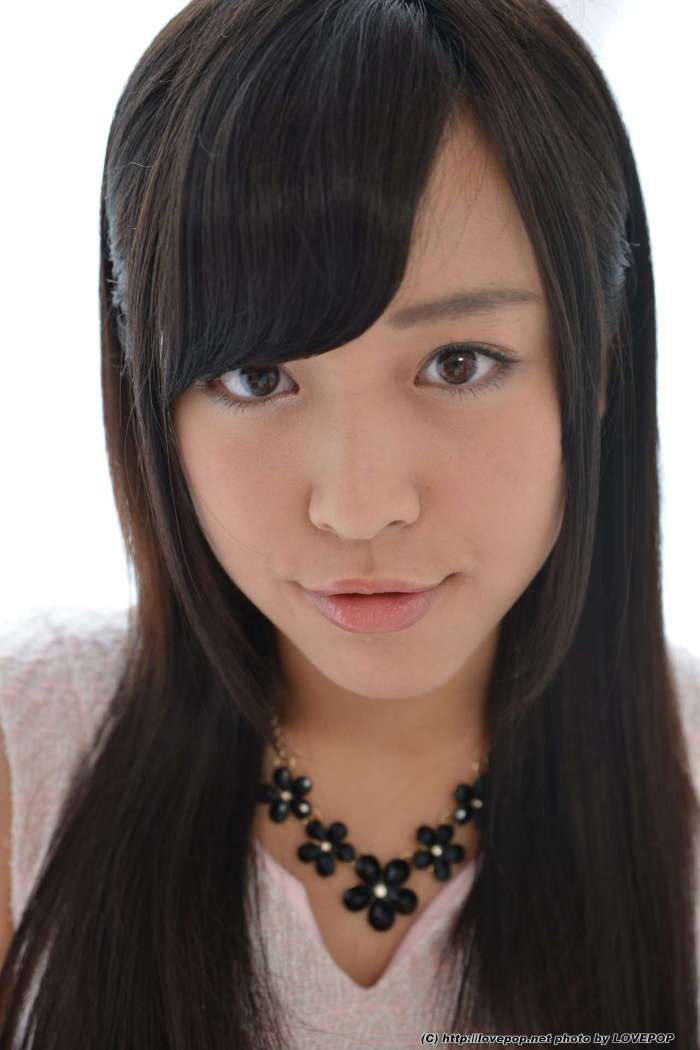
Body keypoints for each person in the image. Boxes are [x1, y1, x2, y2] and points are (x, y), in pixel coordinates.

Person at [0, 0, 698, 1045]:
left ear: (598, 363)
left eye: (457, 363)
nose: (360, 506)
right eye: (257, 375)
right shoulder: (29, 761)